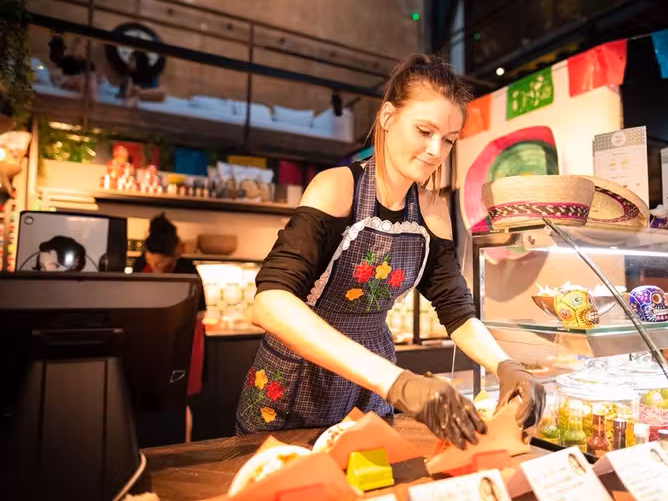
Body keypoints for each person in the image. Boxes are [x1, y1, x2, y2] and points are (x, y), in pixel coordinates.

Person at [236, 53, 545, 449]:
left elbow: (457, 311)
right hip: (297, 382)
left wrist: (506, 365)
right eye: (424, 131)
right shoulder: (337, 187)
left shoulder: (432, 211)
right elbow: (270, 302)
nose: (436, 150)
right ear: (387, 118)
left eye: (448, 140)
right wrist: (398, 382)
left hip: (369, 389)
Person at [132, 214, 206, 443]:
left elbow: (201, 311)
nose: (154, 267)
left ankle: (182, 444)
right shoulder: (138, 265)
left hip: (181, 340)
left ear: (174, 256)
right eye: (151, 262)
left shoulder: (186, 268)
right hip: (146, 339)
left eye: (160, 264)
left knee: (178, 398)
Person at [48, 35, 100, 101]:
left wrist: (98, 77)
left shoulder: (90, 64)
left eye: (92, 49)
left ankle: (88, 97)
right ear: (76, 45)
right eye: (86, 48)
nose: (89, 52)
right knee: (86, 78)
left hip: (83, 81)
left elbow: (95, 76)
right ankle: (86, 97)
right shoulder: (66, 60)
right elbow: (55, 73)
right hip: (69, 80)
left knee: (90, 78)